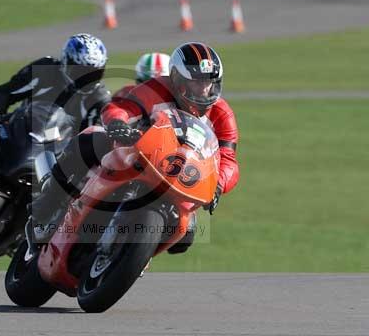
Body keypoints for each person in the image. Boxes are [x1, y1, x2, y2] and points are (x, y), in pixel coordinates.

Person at [27, 42, 239, 254]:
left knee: (187, 236)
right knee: (89, 140)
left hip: (180, 176)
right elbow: (121, 107)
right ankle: (44, 212)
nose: (204, 89)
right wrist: (117, 123)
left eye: (209, 82)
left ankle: (136, 256)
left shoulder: (222, 114)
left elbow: (228, 158)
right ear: (177, 78)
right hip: (136, 153)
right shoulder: (156, 88)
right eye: (197, 82)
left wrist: (218, 184)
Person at [0, 33, 112, 197]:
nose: (85, 78)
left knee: (75, 190)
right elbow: (5, 92)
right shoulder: (46, 69)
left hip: (57, 152)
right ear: (65, 62)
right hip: (19, 129)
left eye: (93, 73)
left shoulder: (100, 98)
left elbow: (94, 135)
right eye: (80, 71)